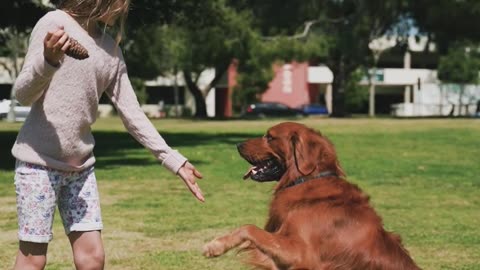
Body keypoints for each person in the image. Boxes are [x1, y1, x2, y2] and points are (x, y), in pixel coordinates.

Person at [10, 0, 204, 269]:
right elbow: (23, 95)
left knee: (93, 258)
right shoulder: (54, 23)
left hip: (80, 169)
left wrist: (172, 158)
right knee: (34, 259)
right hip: (38, 164)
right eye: (121, 2)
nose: (124, 9)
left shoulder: (110, 50)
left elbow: (132, 114)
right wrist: (49, 60)